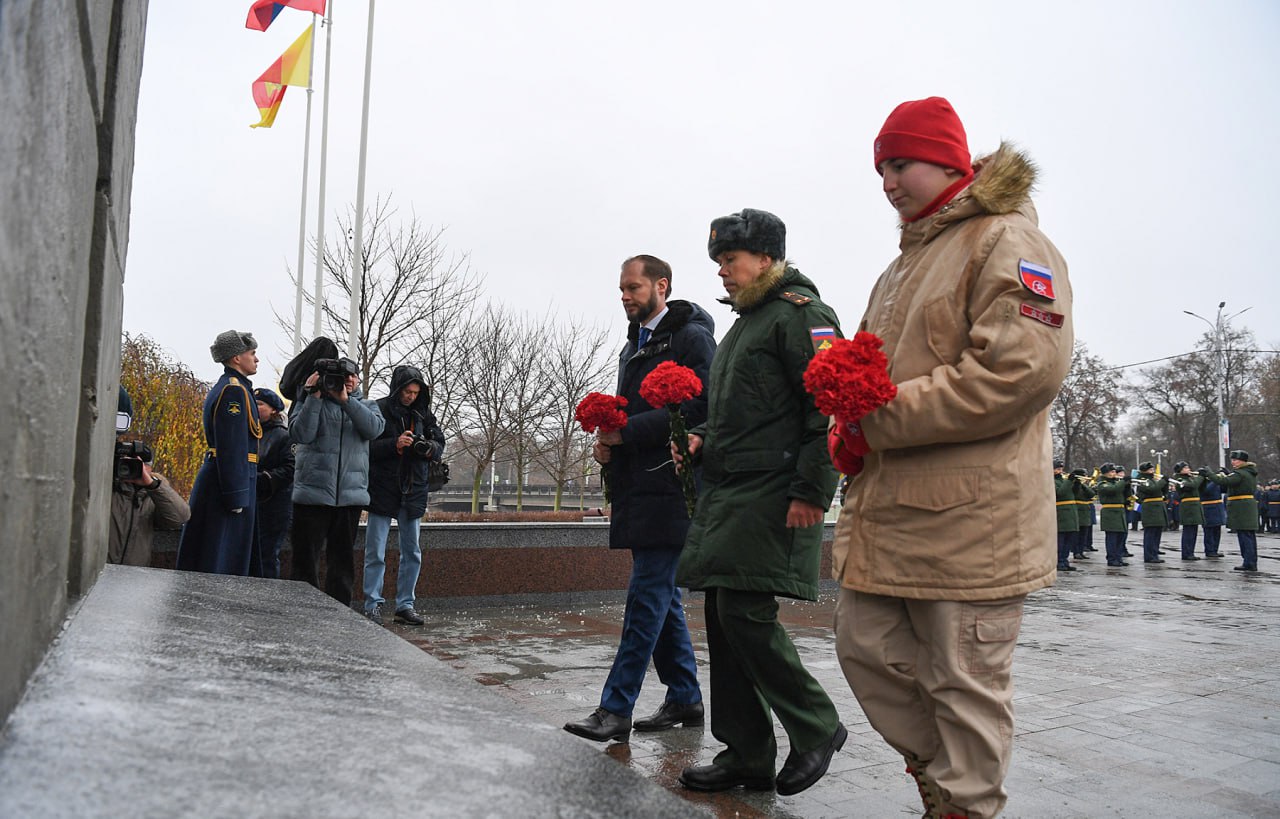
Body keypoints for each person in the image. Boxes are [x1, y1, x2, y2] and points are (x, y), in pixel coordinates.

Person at [831, 97, 1073, 819]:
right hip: (894, 516)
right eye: (880, 169)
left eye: (899, 163)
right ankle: (946, 783)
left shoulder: (1010, 241)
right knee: (862, 644)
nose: (887, 182)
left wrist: (878, 420)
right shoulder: (900, 267)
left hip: (975, 523)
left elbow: (1019, 373)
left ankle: (965, 803)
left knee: (965, 685)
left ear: (949, 160)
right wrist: (845, 413)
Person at [673, 209, 846, 796]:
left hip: (773, 492)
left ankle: (818, 726)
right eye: (718, 261)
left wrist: (811, 491)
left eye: (731, 260)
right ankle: (746, 753)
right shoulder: (745, 324)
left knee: (745, 614)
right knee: (725, 619)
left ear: (767, 259)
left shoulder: (803, 316)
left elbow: (828, 407)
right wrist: (702, 440)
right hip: (732, 491)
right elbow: (749, 413)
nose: (722, 271)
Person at [563, 254, 715, 744]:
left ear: (661, 286)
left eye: (633, 287)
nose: (624, 296)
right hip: (639, 484)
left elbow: (701, 405)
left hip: (671, 484)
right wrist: (609, 441)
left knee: (645, 599)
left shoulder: (690, 336)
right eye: (621, 288)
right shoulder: (637, 343)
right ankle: (686, 697)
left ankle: (615, 708)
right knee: (661, 596)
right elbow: (633, 412)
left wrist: (625, 433)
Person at [289, 346, 385, 605]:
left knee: (342, 561)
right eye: (344, 376)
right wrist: (313, 397)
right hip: (312, 495)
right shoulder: (309, 400)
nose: (348, 380)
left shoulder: (367, 405)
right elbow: (301, 434)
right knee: (304, 559)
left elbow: (374, 430)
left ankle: (340, 612)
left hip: (349, 498)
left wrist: (346, 401)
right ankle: (303, 608)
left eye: (352, 376)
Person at [362, 365, 445, 626]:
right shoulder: (378, 408)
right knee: (375, 551)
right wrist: (395, 444)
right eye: (407, 391)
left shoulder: (423, 413)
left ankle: (405, 605)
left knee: (412, 551)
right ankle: (372, 604)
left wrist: (429, 447)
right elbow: (366, 448)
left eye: (415, 392)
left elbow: (440, 444)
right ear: (398, 389)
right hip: (383, 487)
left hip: (415, 487)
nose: (410, 396)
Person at [177, 330, 264, 576]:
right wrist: (236, 495)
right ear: (236, 358)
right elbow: (232, 446)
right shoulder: (233, 391)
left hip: (227, 479)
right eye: (252, 353)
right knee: (221, 559)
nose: (256, 359)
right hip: (228, 482)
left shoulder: (234, 388)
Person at [109, 386, 190, 566]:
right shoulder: (105, 485)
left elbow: (179, 518)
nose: (130, 467)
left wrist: (151, 484)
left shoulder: (150, 491)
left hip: (132, 580)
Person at [254, 387, 294, 579]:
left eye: (260, 404)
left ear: (274, 410)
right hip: (252, 503)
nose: (255, 407)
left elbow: (290, 469)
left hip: (274, 505)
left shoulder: (283, 436)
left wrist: (264, 479)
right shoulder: (249, 433)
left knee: (267, 555)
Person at [1204, 451, 1259, 572]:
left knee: (1245, 536)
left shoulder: (1240, 473)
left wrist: (1210, 474)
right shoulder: (1247, 472)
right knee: (1248, 536)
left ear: (1243, 461)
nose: (1233, 462)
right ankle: (1251, 561)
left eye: (1236, 460)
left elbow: (1224, 482)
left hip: (1241, 507)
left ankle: (1248, 562)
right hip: (1245, 506)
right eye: (1232, 459)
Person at [1133, 462, 1169, 564]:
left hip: (1157, 507)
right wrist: (1162, 481)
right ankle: (1149, 556)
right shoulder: (1143, 480)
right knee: (1150, 533)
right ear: (1144, 471)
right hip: (1150, 508)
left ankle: (1154, 554)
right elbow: (1152, 489)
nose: (1153, 471)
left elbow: (1161, 491)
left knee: (1157, 532)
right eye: (1150, 470)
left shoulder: (1152, 479)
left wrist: (1165, 484)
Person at [1095, 464, 1129, 567]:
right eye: (1112, 472)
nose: (1114, 474)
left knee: (1120, 537)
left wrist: (1128, 485)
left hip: (1119, 512)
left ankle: (1118, 558)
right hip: (1110, 512)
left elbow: (1126, 494)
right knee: (1112, 538)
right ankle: (1111, 558)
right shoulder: (1102, 484)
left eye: (1114, 472)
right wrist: (1123, 482)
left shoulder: (1116, 483)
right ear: (1106, 473)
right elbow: (1113, 490)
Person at [1170, 461, 1203, 561]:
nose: (1188, 469)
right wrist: (1201, 477)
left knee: (1193, 530)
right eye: (1185, 468)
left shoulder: (1189, 478)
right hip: (1188, 506)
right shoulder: (1179, 479)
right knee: (1188, 531)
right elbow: (1192, 486)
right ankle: (1186, 553)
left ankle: (1190, 552)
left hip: (1194, 505)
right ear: (1180, 471)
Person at [1053, 461, 1079, 572]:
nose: (1060, 471)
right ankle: (1059, 561)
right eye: (1057, 469)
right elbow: (1060, 493)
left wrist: (1076, 484)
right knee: (1061, 540)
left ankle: (1065, 560)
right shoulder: (1052, 480)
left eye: (1061, 469)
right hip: (1061, 512)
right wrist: (1069, 481)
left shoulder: (1063, 480)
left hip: (1070, 513)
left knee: (1069, 539)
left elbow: (1074, 494)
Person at [1070, 468, 1095, 561]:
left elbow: (1091, 494)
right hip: (1077, 509)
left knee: (1084, 533)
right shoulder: (1073, 485)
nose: (1085, 477)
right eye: (1083, 475)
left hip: (1085, 511)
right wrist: (1077, 483)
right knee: (1077, 533)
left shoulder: (1083, 486)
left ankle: (1081, 551)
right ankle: (1076, 552)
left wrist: (1084, 485)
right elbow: (1075, 493)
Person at [1199, 470, 1226, 557]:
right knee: (1209, 531)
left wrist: (1225, 477)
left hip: (1217, 508)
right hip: (1208, 508)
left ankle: (1215, 549)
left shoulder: (1214, 482)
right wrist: (1215, 479)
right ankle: (1209, 550)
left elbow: (1225, 489)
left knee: (1217, 531)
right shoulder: (1202, 483)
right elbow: (1207, 491)